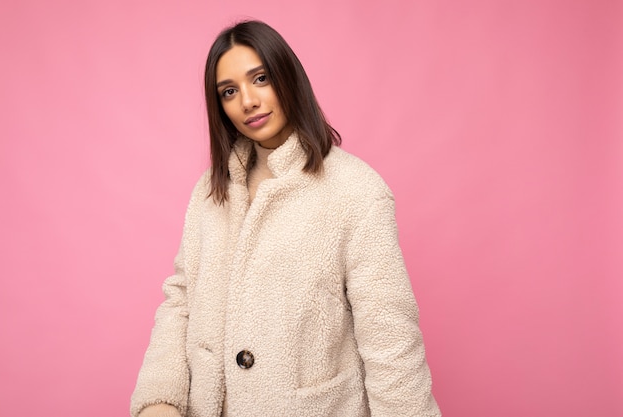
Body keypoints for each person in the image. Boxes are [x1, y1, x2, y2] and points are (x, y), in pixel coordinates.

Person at [131, 20, 441, 417]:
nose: (247, 101)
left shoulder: (356, 191)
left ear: (287, 76)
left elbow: (390, 339)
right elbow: (182, 301)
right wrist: (160, 400)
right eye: (229, 91)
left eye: (260, 78)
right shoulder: (212, 190)